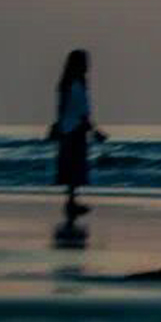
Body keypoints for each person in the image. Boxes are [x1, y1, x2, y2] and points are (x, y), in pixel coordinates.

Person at [49, 49, 106, 216]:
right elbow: (82, 110)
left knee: (71, 166)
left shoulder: (65, 83)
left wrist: (59, 124)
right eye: (85, 62)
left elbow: (62, 108)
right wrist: (95, 130)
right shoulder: (77, 83)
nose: (88, 65)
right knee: (75, 166)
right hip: (76, 129)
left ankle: (71, 201)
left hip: (68, 128)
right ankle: (71, 203)